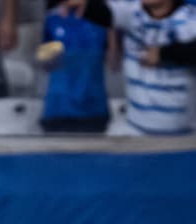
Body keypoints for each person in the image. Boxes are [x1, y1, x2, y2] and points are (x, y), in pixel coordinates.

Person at [67, 0, 196, 134]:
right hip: (134, 132)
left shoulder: (190, 18)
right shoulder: (132, 12)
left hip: (181, 137)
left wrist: (163, 54)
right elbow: (103, 12)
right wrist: (84, 4)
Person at [36, 0, 114, 133]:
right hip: (57, 111)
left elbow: (114, 63)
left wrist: (107, 23)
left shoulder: (104, 19)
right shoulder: (52, 20)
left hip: (94, 111)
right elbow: (45, 65)